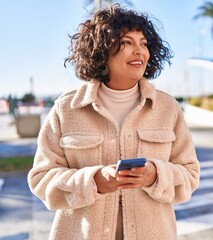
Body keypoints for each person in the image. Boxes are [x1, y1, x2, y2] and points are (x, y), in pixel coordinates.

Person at [27, 4, 200, 240]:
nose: (139, 51)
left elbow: (190, 174)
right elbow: (41, 178)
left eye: (143, 43)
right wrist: (93, 182)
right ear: (102, 50)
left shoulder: (168, 108)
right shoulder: (66, 109)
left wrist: (156, 175)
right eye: (127, 42)